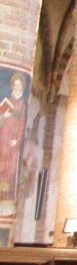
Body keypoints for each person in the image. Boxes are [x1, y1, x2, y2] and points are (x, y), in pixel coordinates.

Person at [0, 74, 26, 209]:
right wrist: (3, 116)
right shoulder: (8, 100)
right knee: (1, 166)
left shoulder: (22, 104)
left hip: (13, 140)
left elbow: (22, 124)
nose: (17, 87)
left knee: (10, 169)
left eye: (19, 85)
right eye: (15, 85)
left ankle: (7, 198)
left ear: (22, 87)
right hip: (3, 137)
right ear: (12, 86)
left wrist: (17, 139)